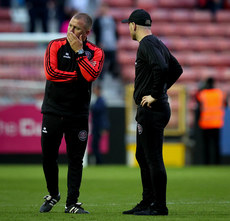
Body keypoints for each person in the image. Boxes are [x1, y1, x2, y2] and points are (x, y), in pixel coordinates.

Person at [39, 13, 104, 214]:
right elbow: (51, 73)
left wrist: (79, 52)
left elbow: (92, 75)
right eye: (71, 26)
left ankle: (71, 203)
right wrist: (79, 77)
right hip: (53, 110)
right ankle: (53, 194)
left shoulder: (96, 52)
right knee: (49, 156)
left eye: (77, 28)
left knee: (76, 160)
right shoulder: (54, 45)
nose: (71, 31)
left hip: (78, 114)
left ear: (86, 33)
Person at [121, 9, 183, 216]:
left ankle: (159, 206)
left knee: (153, 157)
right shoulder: (156, 42)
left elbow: (162, 68)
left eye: (128, 24)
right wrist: (162, 90)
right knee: (142, 154)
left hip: (152, 109)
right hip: (153, 109)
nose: (128, 28)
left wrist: (156, 94)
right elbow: (176, 69)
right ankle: (148, 201)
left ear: (133, 25)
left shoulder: (146, 44)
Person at [196, 77, 226, 164]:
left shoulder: (202, 94)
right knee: (216, 145)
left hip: (205, 123)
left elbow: (199, 108)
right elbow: (225, 105)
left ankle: (207, 163)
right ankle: (217, 163)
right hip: (217, 123)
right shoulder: (220, 93)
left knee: (206, 146)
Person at [93, 2, 119, 79]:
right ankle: (100, 80)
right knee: (101, 63)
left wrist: (116, 40)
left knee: (113, 62)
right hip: (102, 45)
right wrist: (98, 42)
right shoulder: (97, 20)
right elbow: (95, 31)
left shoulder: (112, 19)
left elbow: (115, 31)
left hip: (111, 44)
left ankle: (113, 77)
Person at [90, 84, 109, 164]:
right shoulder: (98, 100)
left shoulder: (101, 100)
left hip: (98, 126)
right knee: (95, 144)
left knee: (95, 144)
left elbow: (99, 112)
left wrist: (104, 127)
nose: (94, 91)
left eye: (95, 90)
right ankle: (98, 161)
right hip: (96, 126)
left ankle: (99, 161)